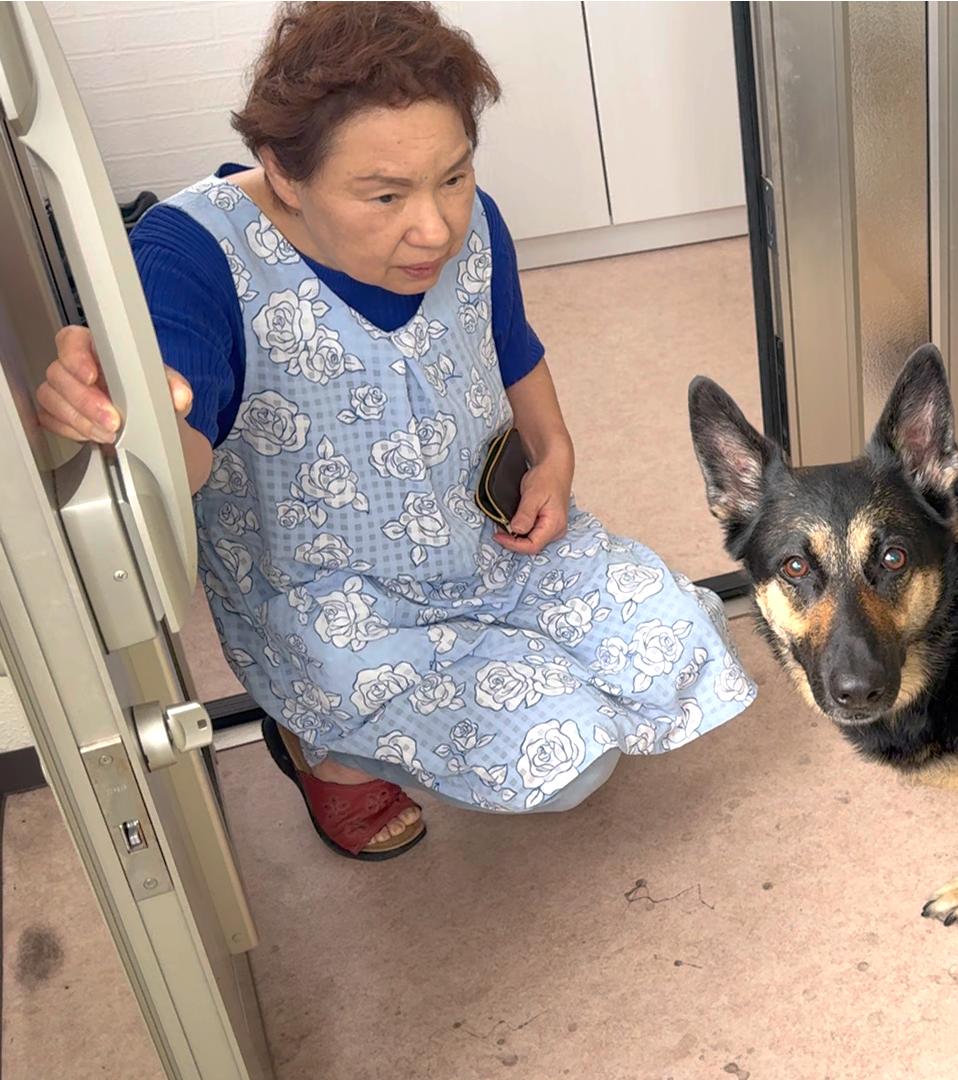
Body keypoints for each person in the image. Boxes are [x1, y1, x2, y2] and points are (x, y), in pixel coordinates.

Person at [32, 0, 756, 860]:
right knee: (567, 761)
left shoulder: (471, 223)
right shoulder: (189, 254)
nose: (436, 228)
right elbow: (173, 459)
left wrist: (556, 458)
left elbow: (510, 345)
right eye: (385, 195)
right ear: (285, 173)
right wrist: (123, 413)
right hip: (341, 603)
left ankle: (489, 684)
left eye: (453, 177)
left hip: (490, 541)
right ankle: (325, 750)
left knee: (685, 640)